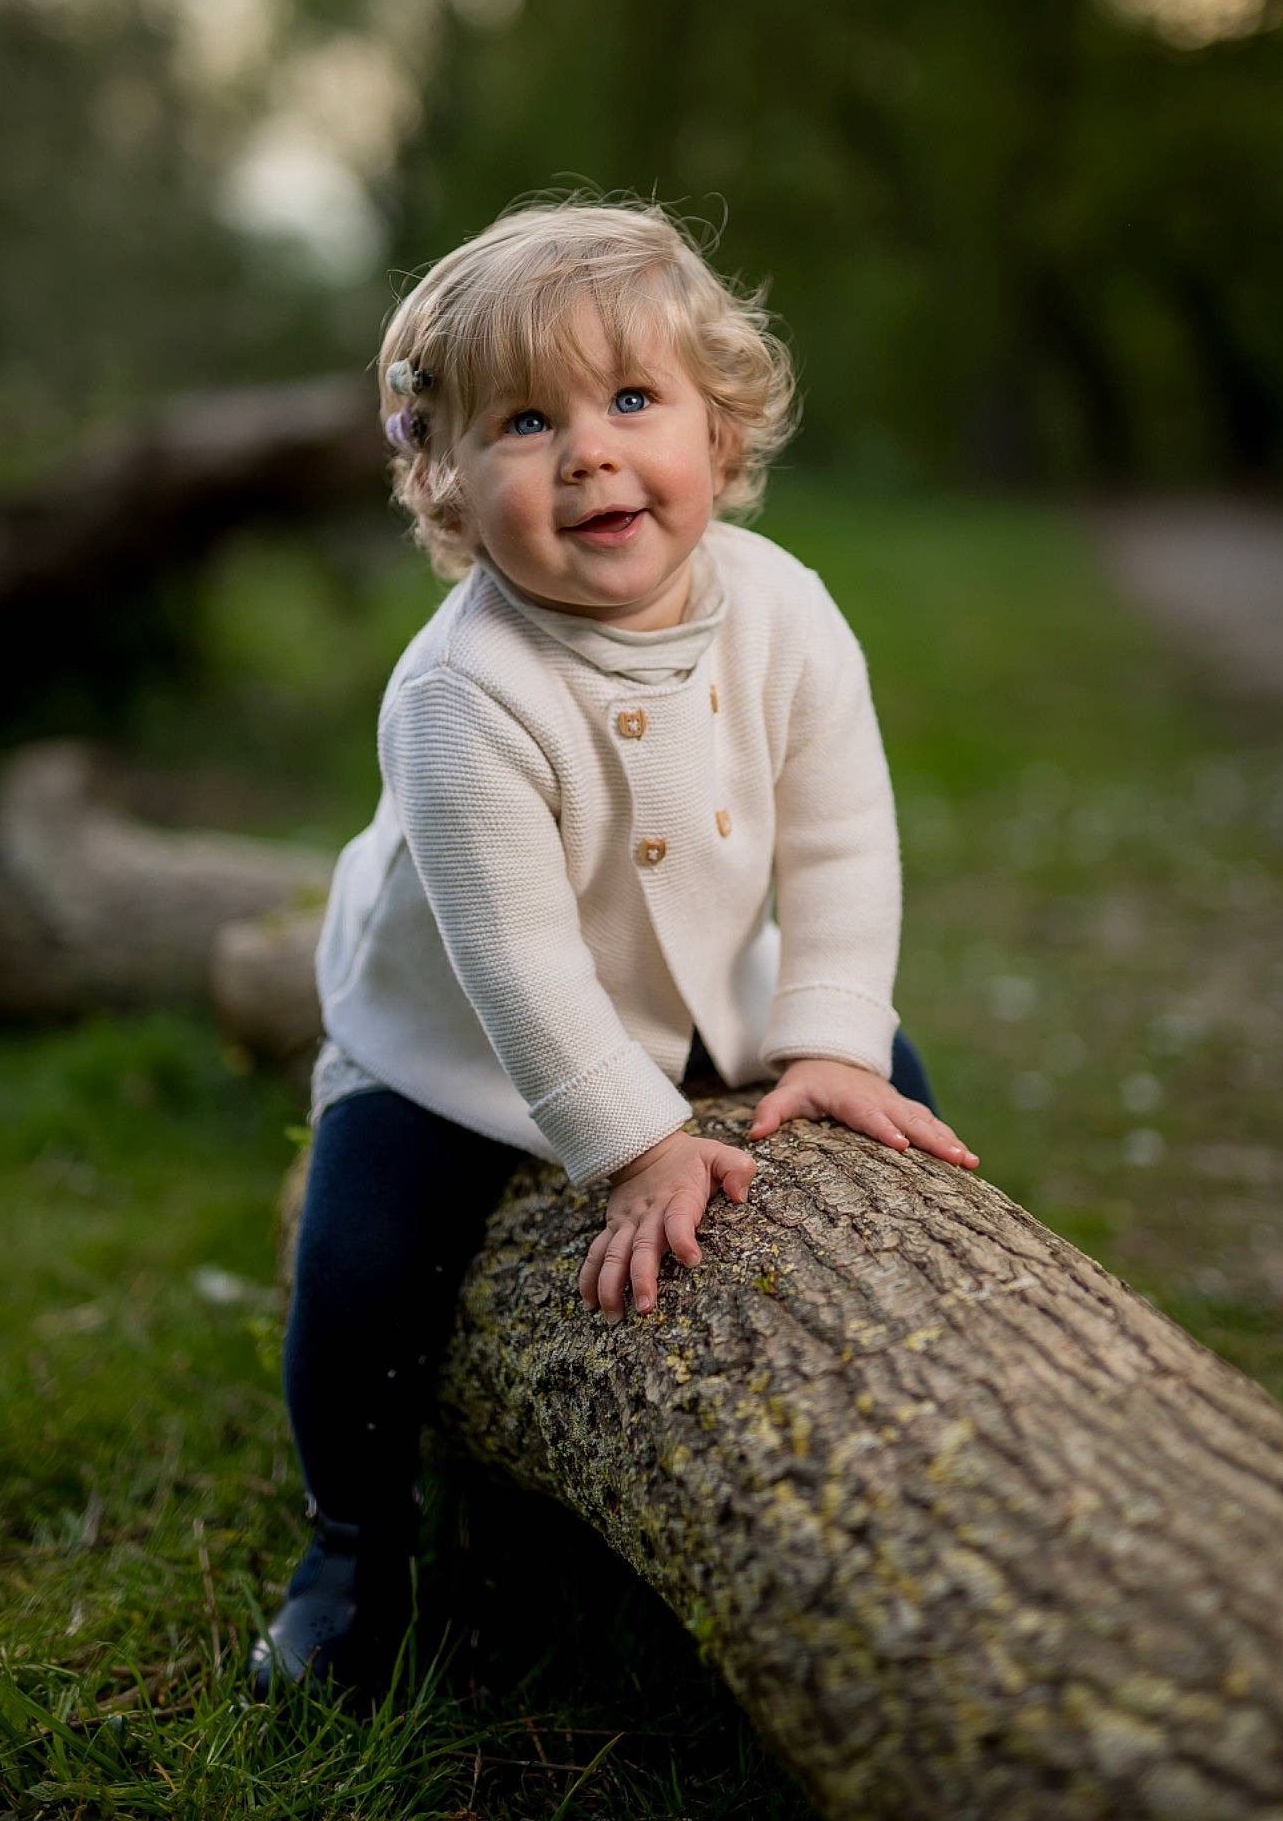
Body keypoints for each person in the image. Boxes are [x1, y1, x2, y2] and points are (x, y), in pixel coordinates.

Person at [247, 199, 977, 1702]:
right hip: (456, 1041)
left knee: (882, 1084)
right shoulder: (463, 690)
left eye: (631, 400)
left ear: (717, 429)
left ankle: (962, 1362)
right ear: (442, 476)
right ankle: (349, 1550)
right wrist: (638, 1147)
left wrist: (832, 1033)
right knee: (365, 1257)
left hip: (713, 988)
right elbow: (517, 966)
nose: (587, 451)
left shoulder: (785, 610)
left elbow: (841, 846)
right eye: (525, 419)